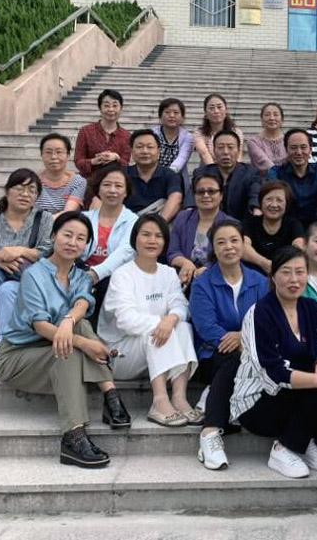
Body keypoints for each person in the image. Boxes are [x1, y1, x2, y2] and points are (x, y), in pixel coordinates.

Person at [0, 212, 132, 468]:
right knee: (70, 349)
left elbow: (83, 302)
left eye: (80, 238)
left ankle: (109, 394)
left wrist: (68, 321)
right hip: (19, 356)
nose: (72, 242)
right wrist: (83, 343)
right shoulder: (34, 274)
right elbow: (39, 324)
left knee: (79, 323)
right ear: (53, 236)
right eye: (67, 235)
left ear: (86, 245)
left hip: (53, 348)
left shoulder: (80, 276)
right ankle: (74, 435)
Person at [230, 247, 317, 479]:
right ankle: (283, 449)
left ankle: (303, 439)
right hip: (259, 402)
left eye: (300, 272)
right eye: (286, 272)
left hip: (296, 393)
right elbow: (272, 373)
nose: (294, 279)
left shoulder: (310, 308)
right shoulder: (260, 313)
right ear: (273, 277)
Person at [99, 214, 198, 427]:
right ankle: (159, 402)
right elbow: (127, 321)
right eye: (146, 235)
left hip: (155, 354)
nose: (152, 240)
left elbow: (181, 305)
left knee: (182, 326)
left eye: (158, 236)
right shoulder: (122, 275)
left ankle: (179, 398)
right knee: (154, 331)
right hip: (120, 354)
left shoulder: (168, 273)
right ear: (135, 238)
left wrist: (171, 319)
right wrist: (162, 322)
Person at [191, 221, 266, 470]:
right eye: (221, 242)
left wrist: (242, 337)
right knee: (233, 359)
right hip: (212, 354)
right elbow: (206, 327)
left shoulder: (259, 281)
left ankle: (214, 397)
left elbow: (267, 320)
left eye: (234, 240)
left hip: (252, 353)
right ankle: (210, 432)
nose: (229, 247)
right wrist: (235, 340)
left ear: (243, 244)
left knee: (242, 360)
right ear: (213, 248)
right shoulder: (203, 283)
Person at [0, 169, 53, 357]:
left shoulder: (45, 219)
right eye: (19, 188)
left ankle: (2, 349)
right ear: (7, 191)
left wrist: (21, 251)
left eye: (31, 190)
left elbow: (49, 251)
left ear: (37, 196)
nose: (25, 194)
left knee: (7, 290)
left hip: (27, 280)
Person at [81, 167, 138, 329]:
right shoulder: (84, 218)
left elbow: (125, 252)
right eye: (107, 185)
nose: (112, 190)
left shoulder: (133, 221)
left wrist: (95, 273)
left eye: (118, 186)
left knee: (105, 286)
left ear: (126, 192)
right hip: (82, 272)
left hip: (114, 276)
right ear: (98, 189)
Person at [168, 172, 237, 286]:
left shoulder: (231, 225)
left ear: (221, 195)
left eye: (211, 191)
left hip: (218, 281)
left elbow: (231, 256)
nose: (206, 195)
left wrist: (207, 268)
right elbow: (172, 252)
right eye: (200, 192)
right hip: (184, 279)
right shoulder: (182, 218)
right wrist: (185, 263)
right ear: (194, 195)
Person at [267, 129, 317, 226]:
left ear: (310, 149)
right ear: (286, 150)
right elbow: (271, 194)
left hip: (316, 224)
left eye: (303, 147)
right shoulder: (276, 172)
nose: (299, 152)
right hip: (287, 225)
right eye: (293, 148)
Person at [192, 129, 263, 221]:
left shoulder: (250, 172)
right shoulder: (202, 172)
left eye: (230, 147)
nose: (226, 152)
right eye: (220, 147)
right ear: (214, 151)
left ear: (238, 150)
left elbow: (255, 192)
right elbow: (191, 196)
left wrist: (255, 208)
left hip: (241, 224)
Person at [241, 180, 306, 274]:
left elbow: (299, 247)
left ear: (287, 204)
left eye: (279, 200)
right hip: (252, 275)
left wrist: (278, 268)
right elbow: (243, 247)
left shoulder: (293, 224)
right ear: (260, 202)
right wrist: (264, 263)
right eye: (269, 199)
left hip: (284, 275)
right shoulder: (249, 223)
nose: (274, 204)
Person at [123, 129, 183, 222]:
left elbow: (175, 198)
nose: (145, 151)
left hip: (159, 223)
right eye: (139, 147)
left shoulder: (170, 175)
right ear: (132, 152)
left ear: (158, 152)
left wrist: (158, 225)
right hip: (127, 223)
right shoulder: (122, 174)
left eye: (150, 147)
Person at [74, 89, 130, 178]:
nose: (111, 109)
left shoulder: (126, 136)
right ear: (100, 108)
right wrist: (93, 161)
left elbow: (126, 164)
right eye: (106, 105)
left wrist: (116, 157)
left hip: (115, 182)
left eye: (115, 105)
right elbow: (78, 161)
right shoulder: (85, 131)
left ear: (121, 108)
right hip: (90, 182)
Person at [152, 97, 194, 207]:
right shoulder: (152, 133)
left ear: (182, 117)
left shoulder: (188, 137)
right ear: (160, 115)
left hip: (175, 178)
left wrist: (166, 175)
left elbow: (182, 158)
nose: (171, 115)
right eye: (167, 112)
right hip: (152, 175)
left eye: (176, 113)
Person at [35, 134, 87, 216]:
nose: (53, 157)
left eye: (59, 152)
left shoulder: (78, 182)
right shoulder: (33, 181)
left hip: (65, 223)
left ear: (68, 155)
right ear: (41, 155)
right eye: (48, 152)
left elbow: (67, 213)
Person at [193, 93, 245, 166]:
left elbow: (238, 156)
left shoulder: (236, 132)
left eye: (219, 107)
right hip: (208, 170)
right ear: (205, 112)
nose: (216, 111)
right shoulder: (199, 133)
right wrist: (217, 171)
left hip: (233, 170)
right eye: (211, 108)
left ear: (226, 110)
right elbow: (204, 154)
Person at [246, 102, 287, 175]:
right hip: (263, 179)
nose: (272, 118)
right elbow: (264, 163)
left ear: (282, 119)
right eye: (267, 115)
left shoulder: (289, 140)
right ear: (262, 120)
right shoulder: (253, 142)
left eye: (276, 115)